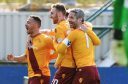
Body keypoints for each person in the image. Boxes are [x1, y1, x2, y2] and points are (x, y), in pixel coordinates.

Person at [7, 15, 56, 84]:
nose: (26, 24)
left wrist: (49, 57)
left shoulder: (45, 39)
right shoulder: (29, 39)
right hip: (32, 76)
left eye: (28, 22)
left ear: (36, 25)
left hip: (41, 75)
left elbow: (59, 50)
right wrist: (14, 58)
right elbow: (26, 57)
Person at [56, 8, 101, 84]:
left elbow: (60, 49)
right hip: (94, 71)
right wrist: (88, 30)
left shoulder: (73, 34)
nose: (68, 20)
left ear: (80, 19)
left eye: (71, 18)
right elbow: (97, 42)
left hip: (83, 71)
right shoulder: (88, 30)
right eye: (68, 17)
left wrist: (60, 40)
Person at [50, 3, 76, 84]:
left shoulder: (60, 28)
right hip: (74, 65)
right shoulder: (69, 25)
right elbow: (69, 42)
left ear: (59, 14)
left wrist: (54, 42)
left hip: (66, 65)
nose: (50, 16)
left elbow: (62, 49)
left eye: (52, 13)